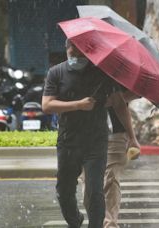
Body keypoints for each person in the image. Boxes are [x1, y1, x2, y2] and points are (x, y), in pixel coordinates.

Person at [42, 39, 137, 228]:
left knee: (95, 191)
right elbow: (47, 105)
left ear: (88, 52)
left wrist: (132, 137)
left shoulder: (102, 74)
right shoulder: (56, 72)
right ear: (66, 49)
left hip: (96, 140)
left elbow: (119, 104)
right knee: (64, 190)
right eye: (71, 50)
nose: (75, 55)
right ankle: (75, 220)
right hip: (68, 140)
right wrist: (78, 105)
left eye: (79, 52)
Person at [81, 90, 140, 228]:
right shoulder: (74, 72)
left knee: (110, 179)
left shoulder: (117, 73)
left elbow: (134, 94)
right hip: (85, 133)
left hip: (115, 134)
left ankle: (109, 224)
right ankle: (98, 221)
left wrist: (116, 97)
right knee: (89, 181)